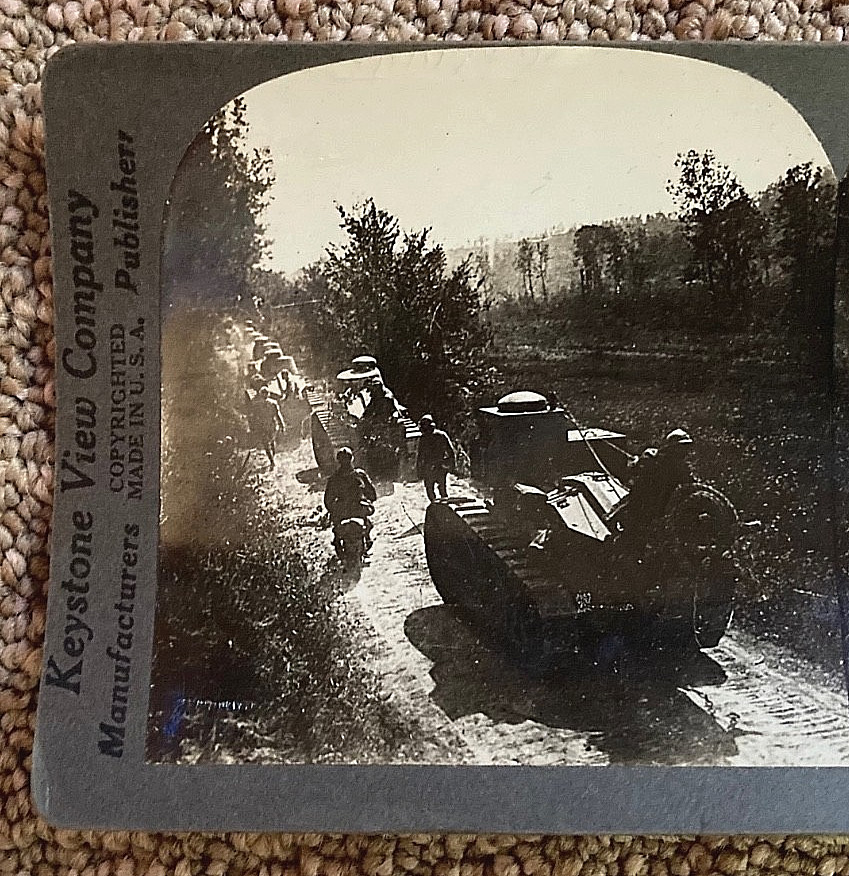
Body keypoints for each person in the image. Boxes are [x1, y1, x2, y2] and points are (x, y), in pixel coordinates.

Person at [324, 447, 378, 557]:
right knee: (367, 523)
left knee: (337, 529)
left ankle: (338, 544)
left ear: (338, 461)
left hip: (341, 510)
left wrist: (334, 509)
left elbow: (328, 501)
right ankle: (367, 539)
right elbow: (372, 494)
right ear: (351, 459)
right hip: (358, 508)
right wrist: (368, 500)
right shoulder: (359, 475)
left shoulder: (334, 479)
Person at [416, 414, 456, 502]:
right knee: (442, 489)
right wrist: (451, 465)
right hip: (441, 466)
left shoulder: (424, 439)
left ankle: (435, 507)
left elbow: (420, 457)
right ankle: (443, 508)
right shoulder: (442, 435)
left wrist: (419, 471)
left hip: (429, 468)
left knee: (430, 490)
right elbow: (451, 452)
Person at [249, 386, 285, 469]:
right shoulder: (265, 404)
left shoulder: (270, 404)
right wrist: (281, 425)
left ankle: (272, 458)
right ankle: (272, 460)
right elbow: (255, 417)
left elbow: (277, 415)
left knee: (268, 443)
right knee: (268, 443)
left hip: (269, 426)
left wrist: (281, 424)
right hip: (268, 426)